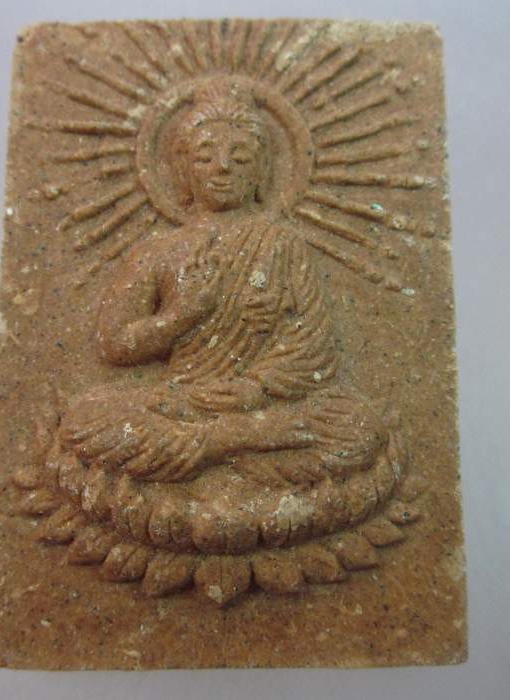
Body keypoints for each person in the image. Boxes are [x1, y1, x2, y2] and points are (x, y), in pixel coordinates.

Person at [59, 81, 389, 487]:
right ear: (183, 170)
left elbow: (315, 348)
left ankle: (210, 447)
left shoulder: (283, 244)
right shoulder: (157, 251)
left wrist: (256, 385)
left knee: (358, 426)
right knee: (85, 418)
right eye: (205, 156)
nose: (222, 167)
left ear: (261, 170)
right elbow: (114, 344)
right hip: (183, 400)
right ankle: (235, 445)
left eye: (240, 157)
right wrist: (181, 316)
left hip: (261, 404)